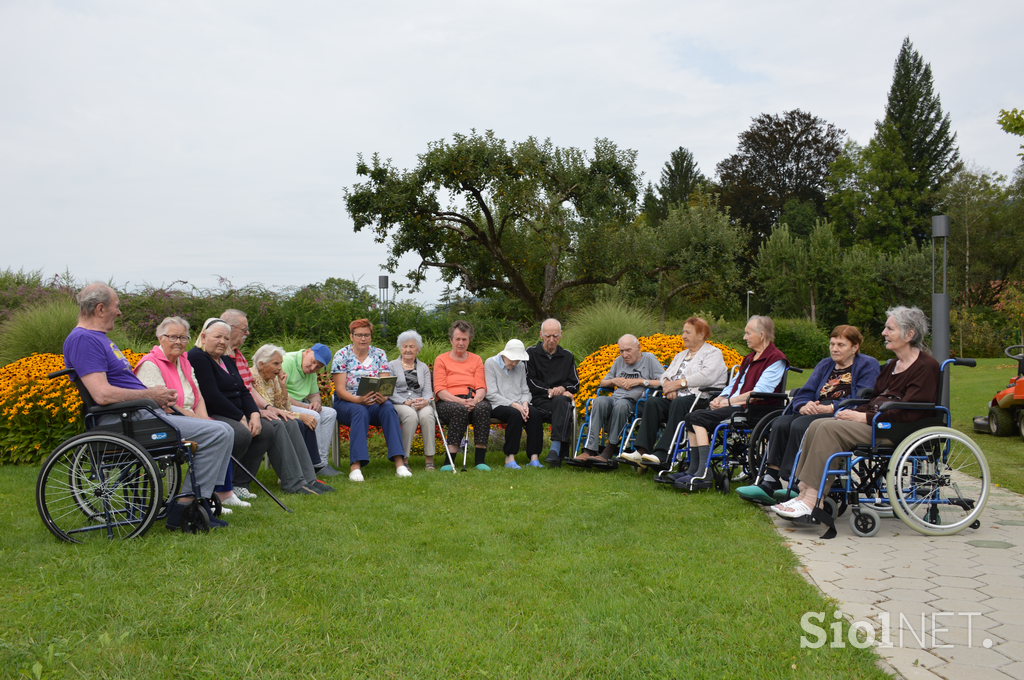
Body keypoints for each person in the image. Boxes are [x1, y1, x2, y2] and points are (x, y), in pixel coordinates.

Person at [62, 283, 233, 530]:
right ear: (100, 309)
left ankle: (199, 499)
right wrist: (150, 394)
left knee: (222, 430)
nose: (119, 312)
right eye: (116, 307)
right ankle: (184, 508)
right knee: (218, 432)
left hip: (138, 414)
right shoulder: (83, 340)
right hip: (125, 420)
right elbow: (101, 394)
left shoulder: (97, 339)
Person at [772, 307, 940, 523]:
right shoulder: (892, 367)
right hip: (879, 421)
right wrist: (853, 412)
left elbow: (910, 410)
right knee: (818, 425)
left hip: (897, 429)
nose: (883, 333)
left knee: (828, 429)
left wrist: (864, 418)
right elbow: (873, 400)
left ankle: (813, 499)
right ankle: (804, 492)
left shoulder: (925, 367)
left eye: (890, 328)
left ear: (909, 334)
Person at [735, 325, 881, 505]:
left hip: (841, 413)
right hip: (814, 409)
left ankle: (796, 484)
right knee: (781, 422)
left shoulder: (868, 364)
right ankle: (770, 480)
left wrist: (831, 408)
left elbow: (863, 397)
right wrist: (803, 405)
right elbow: (806, 391)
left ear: (855, 347)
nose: (834, 348)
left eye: (841, 345)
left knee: (800, 425)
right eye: (832, 343)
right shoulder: (825, 364)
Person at [134, 316, 244, 513]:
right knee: (219, 431)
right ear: (160, 338)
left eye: (183, 338)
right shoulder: (150, 364)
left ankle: (212, 493)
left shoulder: (184, 361)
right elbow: (163, 405)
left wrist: (204, 419)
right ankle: (192, 499)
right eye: (173, 337)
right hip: (163, 421)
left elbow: (198, 395)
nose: (179, 342)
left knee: (224, 429)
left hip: (187, 417)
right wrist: (199, 421)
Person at [675, 316, 788, 489]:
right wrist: (720, 398)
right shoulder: (750, 358)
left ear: (762, 335)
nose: (744, 337)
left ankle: (704, 474)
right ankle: (694, 469)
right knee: (691, 417)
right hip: (737, 405)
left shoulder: (775, 359)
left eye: (748, 333)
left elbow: (758, 393)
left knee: (698, 419)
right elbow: (736, 384)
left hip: (755, 409)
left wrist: (729, 402)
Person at [619, 317, 728, 467]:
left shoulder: (713, 353)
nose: (683, 335)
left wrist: (678, 384)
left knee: (678, 402)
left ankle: (662, 454)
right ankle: (642, 451)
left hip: (701, 399)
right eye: (683, 332)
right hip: (677, 398)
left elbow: (707, 377)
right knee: (652, 402)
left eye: (688, 332)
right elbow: (664, 376)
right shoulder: (681, 355)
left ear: (701, 334)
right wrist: (668, 386)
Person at [187, 319, 276, 500]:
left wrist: (254, 414)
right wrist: (240, 417)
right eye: (217, 337)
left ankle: (239, 483)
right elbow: (211, 396)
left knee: (266, 430)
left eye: (226, 338)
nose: (222, 342)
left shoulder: (226, 358)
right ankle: (220, 487)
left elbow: (243, 390)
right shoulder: (197, 357)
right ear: (203, 337)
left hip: (236, 411)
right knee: (241, 433)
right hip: (213, 412)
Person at [331, 318, 409, 482]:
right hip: (348, 402)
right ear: (351, 336)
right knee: (359, 411)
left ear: (371, 336)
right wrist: (357, 400)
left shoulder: (379, 354)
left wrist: (384, 396)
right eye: (359, 335)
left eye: (366, 335)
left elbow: (385, 385)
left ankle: (400, 464)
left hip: (374, 402)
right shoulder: (342, 355)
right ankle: (355, 467)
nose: (363, 339)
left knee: (388, 408)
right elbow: (340, 389)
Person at [250, 344, 334, 494]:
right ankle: (294, 481)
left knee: (293, 423)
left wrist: (282, 386)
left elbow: (283, 406)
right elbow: (269, 408)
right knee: (288, 423)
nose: (280, 367)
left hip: (274, 413)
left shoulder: (273, 378)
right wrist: (301, 414)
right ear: (261, 364)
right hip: (260, 415)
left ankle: (309, 478)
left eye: (280, 363)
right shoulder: (254, 377)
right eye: (276, 363)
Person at [572, 334, 662, 464]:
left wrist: (640, 381)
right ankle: (589, 450)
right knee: (599, 401)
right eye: (621, 351)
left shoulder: (649, 359)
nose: (624, 355)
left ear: (638, 348)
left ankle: (609, 450)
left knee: (621, 405)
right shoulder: (619, 361)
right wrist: (614, 381)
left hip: (636, 402)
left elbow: (663, 381)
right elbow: (603, 382)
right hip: (616, 398)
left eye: (628, 350)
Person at [434, 320, 492, 471]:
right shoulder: (441, 359)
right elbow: (439, 389)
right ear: (451, 340)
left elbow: (481, 387)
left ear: (469, 340)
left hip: (472, 399)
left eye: (464, 339)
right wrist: (459, 401)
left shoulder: (477, 359)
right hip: (448, 401)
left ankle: (480, 460)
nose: (461, 342)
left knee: (484, 407)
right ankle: (449, 461)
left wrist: (476, 400)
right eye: (457, 339)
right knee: (458, 410)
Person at [525, 318, 580, 466]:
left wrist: (563, 389)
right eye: (548, 336)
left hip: (559, 400)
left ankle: (555, 450)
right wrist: (550, 391)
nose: (551, 339)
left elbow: (575, 382)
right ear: (541, 335)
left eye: (555, 336)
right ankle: (558, 452)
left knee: (562, 402)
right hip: (538, 399)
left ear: (561, 334)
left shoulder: (567, 356)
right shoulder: (530, 353)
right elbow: (529, 381)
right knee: (563, 407)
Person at [280, 343, 339, 476]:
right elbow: (279, 395)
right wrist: (306, 407)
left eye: (317, 366)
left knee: (330, 413)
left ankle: (322, 463)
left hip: (301, 404)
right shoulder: (287, 361)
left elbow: (314, 395)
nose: (313, 367)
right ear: (307, 352)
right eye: (313, 362)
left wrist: (316, 403)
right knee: (314, 415)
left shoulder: (311, 371)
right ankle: (313, 464)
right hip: (283, 404)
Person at [486, 339, 541, 469]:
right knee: (515, 415)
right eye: (512, 359)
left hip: (519, 404)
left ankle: (534, 458)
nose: (514, 363)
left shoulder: (520, 365)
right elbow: (491, 394)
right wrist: (515, 405)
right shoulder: (491, 363)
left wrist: (525, 404)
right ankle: (509, 458)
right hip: (497, 404)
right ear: (504, 354)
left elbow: (525, 390)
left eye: (517, 360)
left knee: (535, 414)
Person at [387, 330, 437, 470]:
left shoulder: (423, 367)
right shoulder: (391, 366)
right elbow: (389, 391)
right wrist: (404, 402)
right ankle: (404, 459)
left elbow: (428, 392)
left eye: (412, 346)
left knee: (427, 415)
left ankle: (429, 459)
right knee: (410, 416)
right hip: (399, 402)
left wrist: (426, 401)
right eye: (405, 346)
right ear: (400, 347)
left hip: (420, 402)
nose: (408, 350)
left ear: (418, 349)